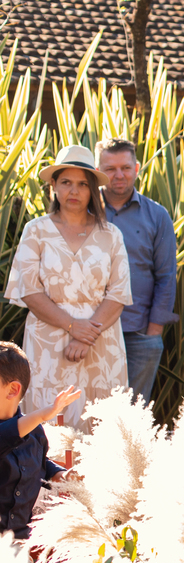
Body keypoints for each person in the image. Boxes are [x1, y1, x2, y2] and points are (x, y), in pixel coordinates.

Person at [5, 145, 133, 432]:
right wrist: (73, 326)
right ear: (54, 185)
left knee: (101, 424)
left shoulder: (111, 235)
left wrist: (85, 336)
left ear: (93, 189)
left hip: (100, 342)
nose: (74, 191)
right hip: (48, 342)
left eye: (82, 184)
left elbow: (118, 293)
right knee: (49, 421)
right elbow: (29, 290)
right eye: (66, 182)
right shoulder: (35, 230)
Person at [96, 138, 179, 406]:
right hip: (91, 332)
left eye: (125, 167)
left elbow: (166, 276)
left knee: (133, 415)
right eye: (110, 169)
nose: (119, 175)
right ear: (98, 171)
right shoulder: (85, 212)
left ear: (137, 168)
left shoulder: (157, 216)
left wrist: (153, 332)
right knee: (91, 411)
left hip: (139, 333)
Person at [0, 342, 81, 539]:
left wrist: (59, 474)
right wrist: (41, 415)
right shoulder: (32, 423)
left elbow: (39, 460)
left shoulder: (35, 432)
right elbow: (5, 436)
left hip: (20, 540)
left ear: (12, 390)